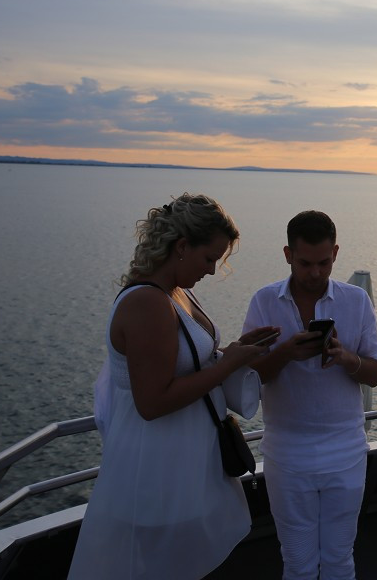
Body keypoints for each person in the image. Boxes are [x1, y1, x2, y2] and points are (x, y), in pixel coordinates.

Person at [68, 193, 283, 580]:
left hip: (183, 466)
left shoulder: (178, 293)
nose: (213, 271)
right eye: (208, 258)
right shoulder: (147, 304)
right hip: (156, 473)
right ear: (182, 247)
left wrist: (235, 352)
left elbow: (191, 362)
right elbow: (151, 402)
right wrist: (228, 364)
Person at [243, 210, 377, 580]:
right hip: (286, 454)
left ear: (335, 253)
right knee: (298, 563)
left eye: (324, 262)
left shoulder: (356, 301)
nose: (316, 273)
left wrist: (345, 358)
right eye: (305, 263)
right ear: (288, 254)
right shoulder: (264, 302)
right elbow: (250, 378)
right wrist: (286, 353)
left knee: (340, 560)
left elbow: (375, 373)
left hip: (346, 451)